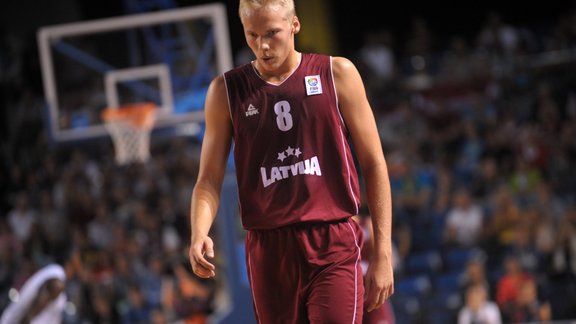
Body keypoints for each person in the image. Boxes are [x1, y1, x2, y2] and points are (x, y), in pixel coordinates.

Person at [188, 0, 394, 322]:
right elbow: (208, 178)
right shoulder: (225, 91)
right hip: (268, 249)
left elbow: (375, 164)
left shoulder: (337, 73)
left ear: (295, 24)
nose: (263, 45)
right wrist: (199, 230)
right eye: (252, 35)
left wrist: (382, 252)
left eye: (272, 33)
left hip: (332, 239)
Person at [0, 263, 66, 324]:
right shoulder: (30, 297)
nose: (48, 298)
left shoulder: (56, 309)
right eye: (50, 291)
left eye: (53, 296)